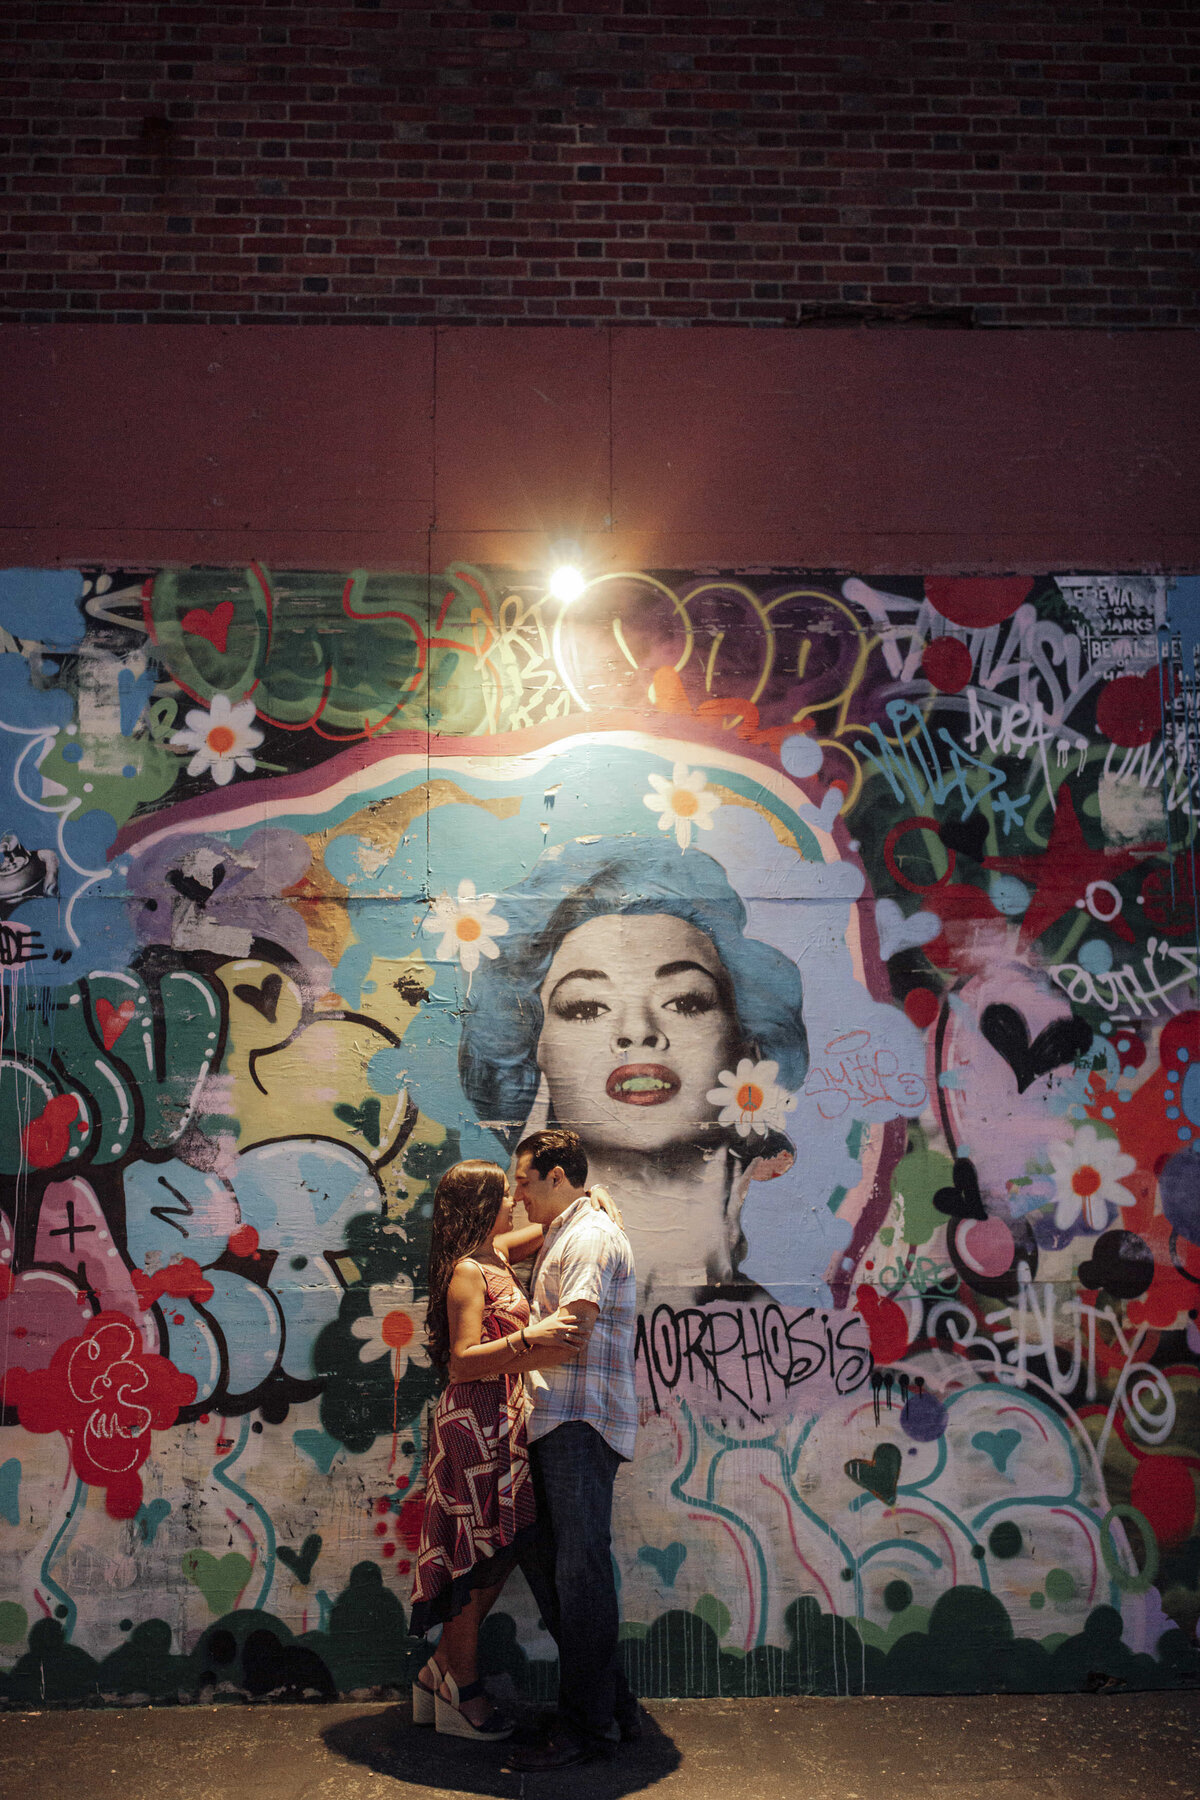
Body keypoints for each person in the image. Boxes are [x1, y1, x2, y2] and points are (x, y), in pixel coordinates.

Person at [458, 835, 808, 1295]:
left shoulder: (768, 1326)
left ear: (746, 1047)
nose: (638, 1031)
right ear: (534, 1051)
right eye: (586, 1007)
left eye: (684, 1002)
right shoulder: (500, 1305)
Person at [407, 1158, 588, 1739]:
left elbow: (548, 1225)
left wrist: (591, 1200)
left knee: (497, 1548)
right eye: (506, 1192)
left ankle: (439, 1671)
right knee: (477, 1556)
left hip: (500, 1421)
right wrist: (531, 1336)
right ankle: (461, 1687)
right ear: (484, 1205)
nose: (516, 1198)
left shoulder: (497, 1254)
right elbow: (462, 1362)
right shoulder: (469, 1272)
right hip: (474, 1423)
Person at [506, 1125, 640, 1771]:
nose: (517, 1195)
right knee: (554, 1567)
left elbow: (573, 1332)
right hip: (560, 1421)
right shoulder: (567, 1229)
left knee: (579, 1576)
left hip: (579, 1423)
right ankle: (612, 1708)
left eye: (523, 1181)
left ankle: (586, 1728)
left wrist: (493, 1357)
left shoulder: (586, 1237)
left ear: (556, 1175)